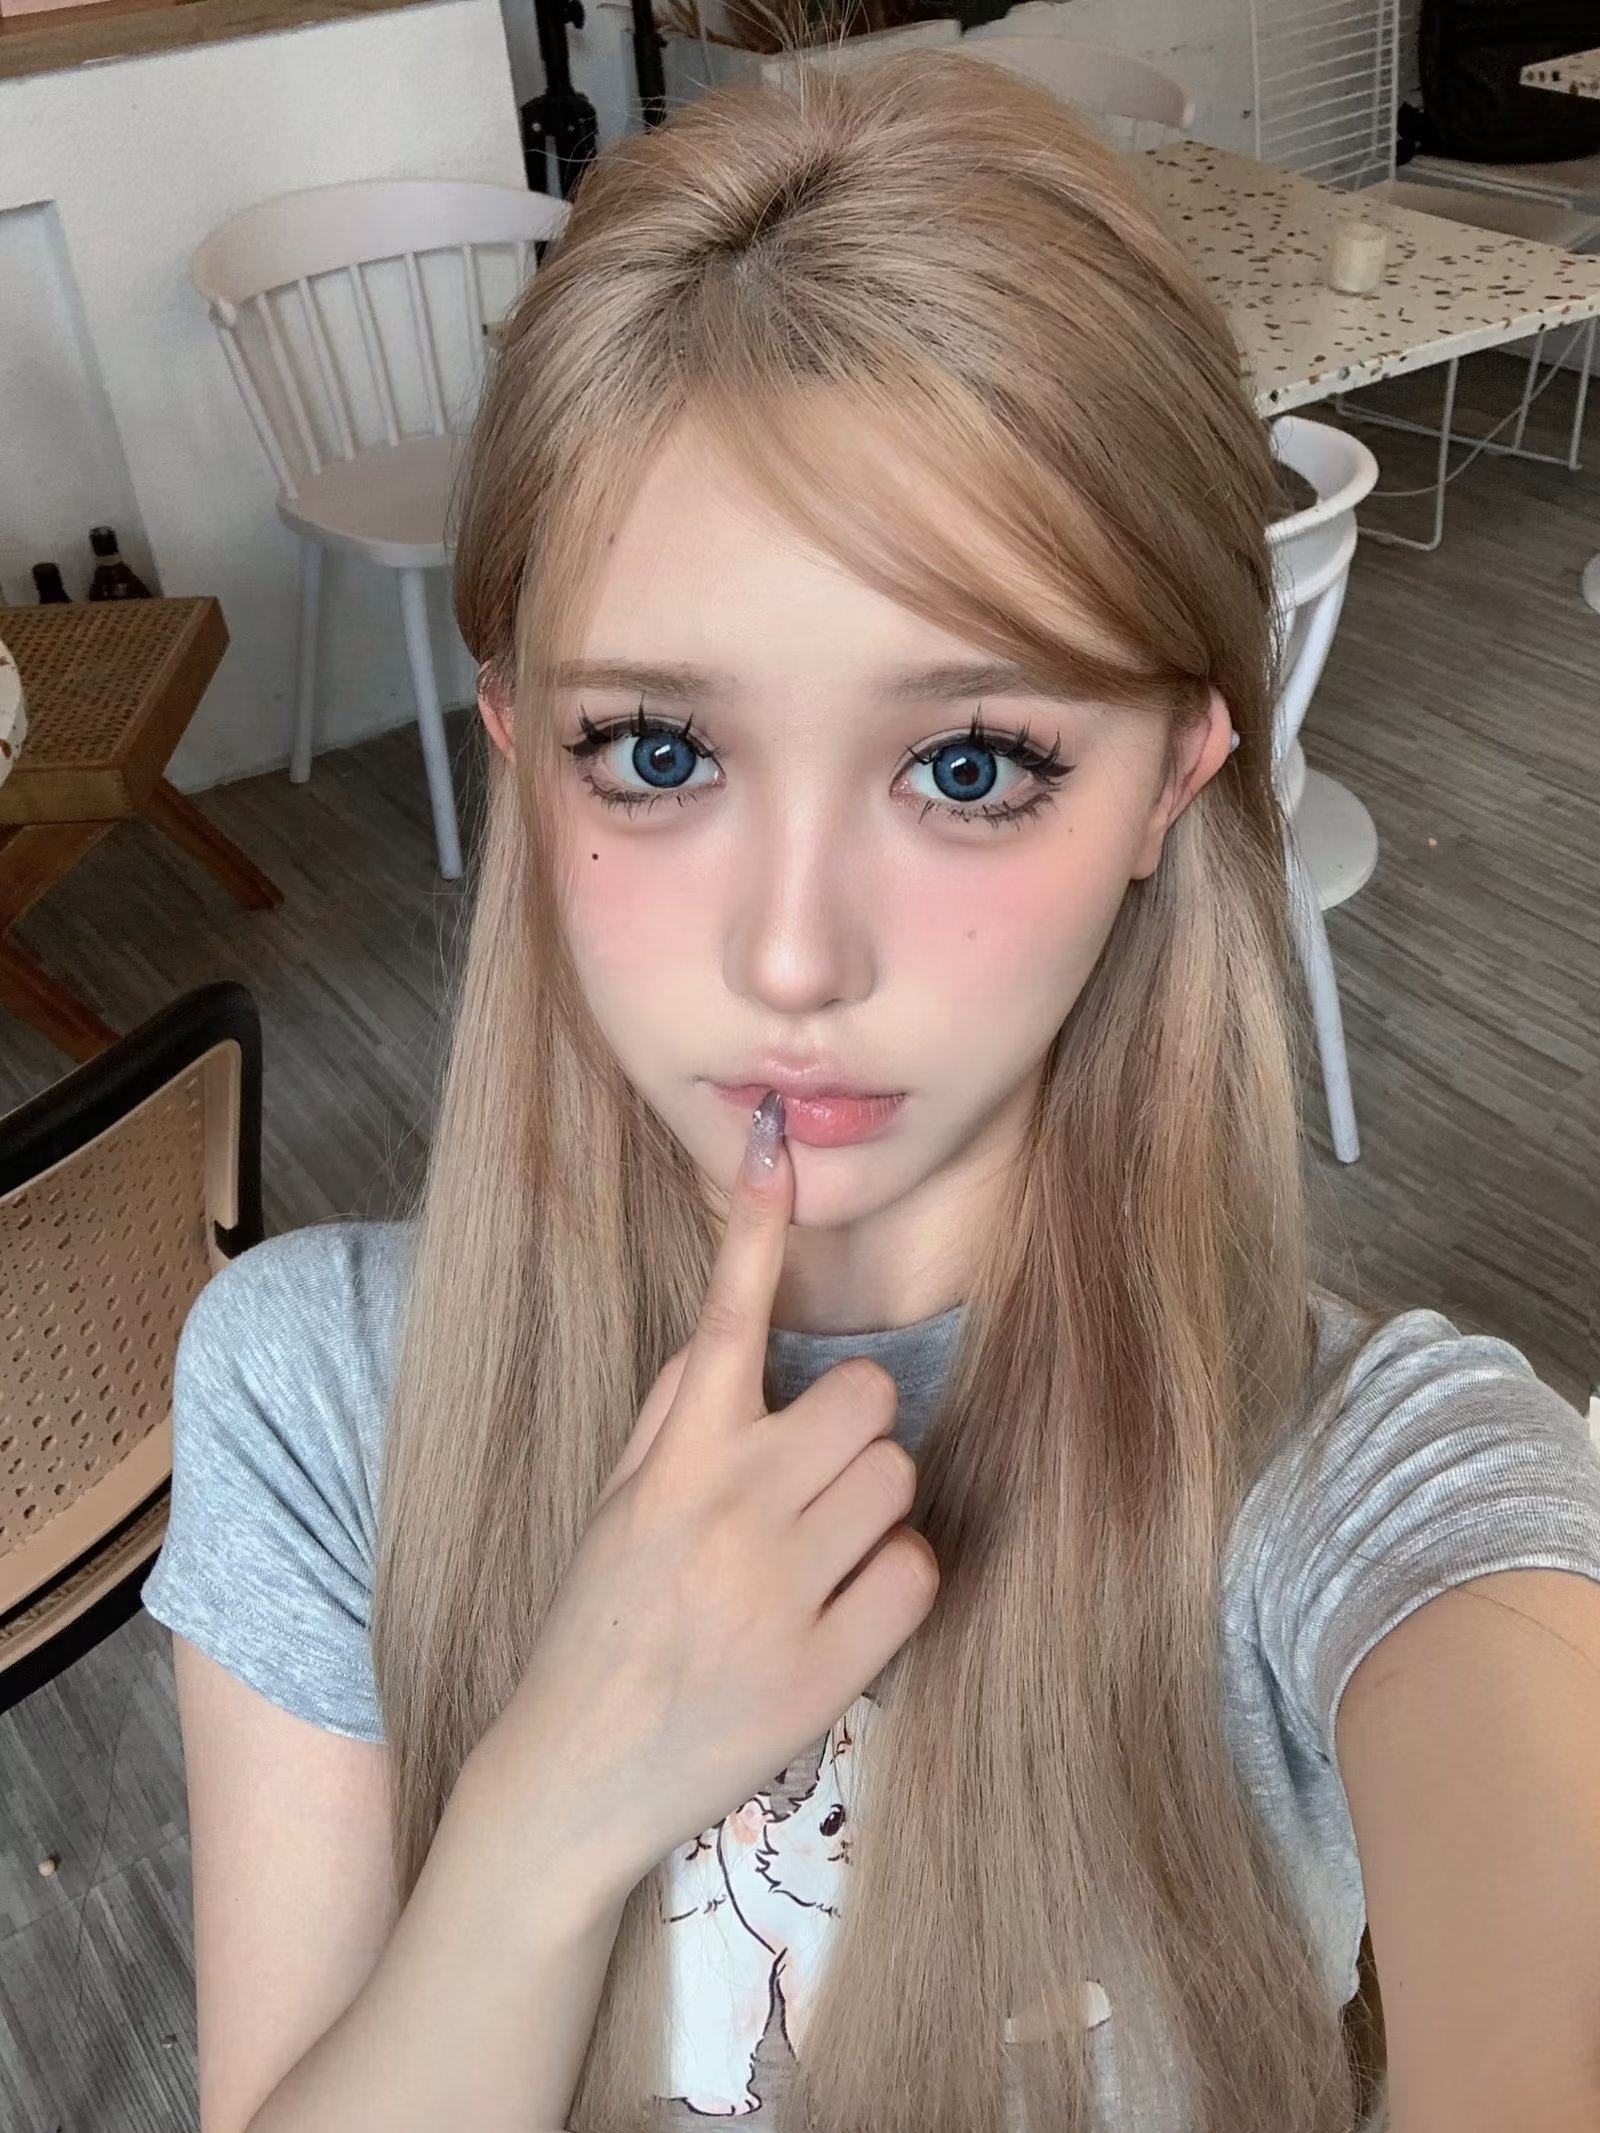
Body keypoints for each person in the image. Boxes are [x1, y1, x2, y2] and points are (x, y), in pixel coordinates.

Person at [140, 45, 1600, 2133]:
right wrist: (557, 1797)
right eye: (658, 752)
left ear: (1168, 781)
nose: (792, 956)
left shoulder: (1375, 1478)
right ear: (522, 758)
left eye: (968, 763)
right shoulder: (312, 1390)